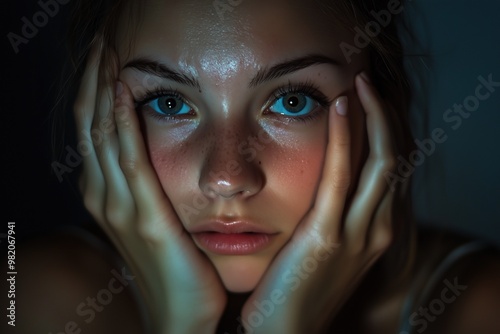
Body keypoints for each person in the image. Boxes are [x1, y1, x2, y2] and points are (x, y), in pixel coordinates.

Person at [9, 0, 500, 333]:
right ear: (100, 122)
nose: (225, 177)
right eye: (167, 104)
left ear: (383, 117)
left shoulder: (480, 307)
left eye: (291, 102)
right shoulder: (27, 296)